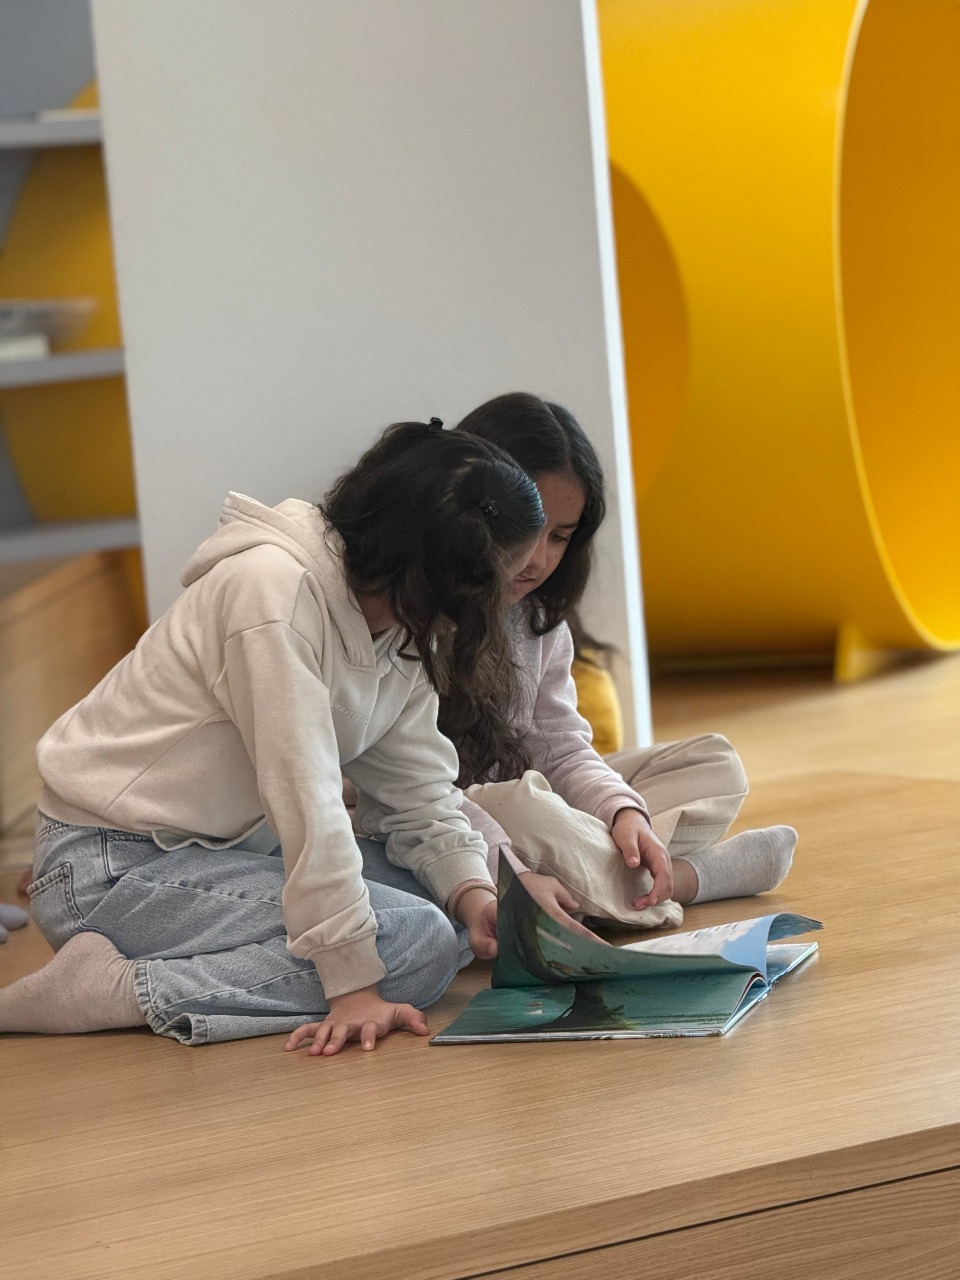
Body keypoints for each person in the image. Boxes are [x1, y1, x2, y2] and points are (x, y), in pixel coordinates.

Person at [0, 417, 545, 1056]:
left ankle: (149, 973)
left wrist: (473, 893)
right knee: (414, 942)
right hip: (108, 866)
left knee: (444, 916)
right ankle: (110, 990)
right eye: (508, 581)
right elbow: (307, 802)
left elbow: (418, 794)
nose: (515, 595)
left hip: (222, 854)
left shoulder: (402, 625)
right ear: (451, 579)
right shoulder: (270, 593)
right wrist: (352, 987)